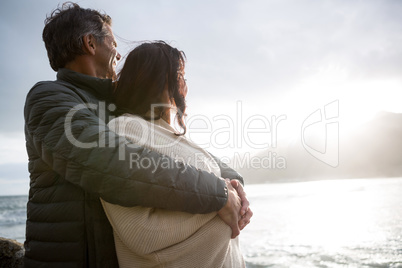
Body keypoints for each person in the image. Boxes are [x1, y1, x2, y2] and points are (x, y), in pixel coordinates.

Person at [23, 2, 252, 267]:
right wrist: (218, 193)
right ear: (90, 43)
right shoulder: (49, 98)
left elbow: (181, 148)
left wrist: (233, 182)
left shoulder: (119, 106)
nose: (118, 55)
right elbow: (113, 163)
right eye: (112, 41)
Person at [101, 41, 246, 267]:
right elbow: (140, 231)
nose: (185, 85)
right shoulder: (124, 130)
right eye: (179, 75)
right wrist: (222, 204)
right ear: (157, 80)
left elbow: (203, 182)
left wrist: (236, 191)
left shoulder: (169, 134)